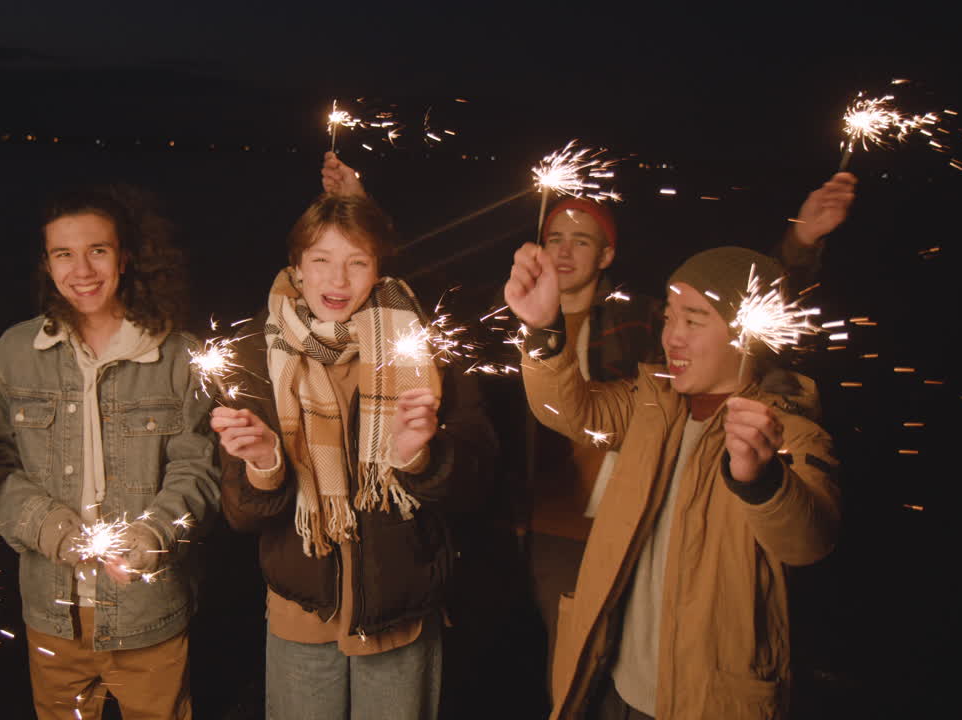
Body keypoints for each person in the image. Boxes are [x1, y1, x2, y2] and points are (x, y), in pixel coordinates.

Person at [504, 242, 841, 719]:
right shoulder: (651, 404)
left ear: (746, 332)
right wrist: (543, 329)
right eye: (669, 317)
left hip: (704, 702)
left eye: (694, 321)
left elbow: (809, 540)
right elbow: (568, 410)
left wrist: (762, 481)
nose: (672, 337)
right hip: (612, 684)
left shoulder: (788, 431)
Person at [211, 191, 496, 720]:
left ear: (378, 268)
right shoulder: (255, 353)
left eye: (357, 262)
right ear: (296, 268)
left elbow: (478, 486)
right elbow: (242, 514)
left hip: (399, 615)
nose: (337, 280)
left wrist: (420, 459)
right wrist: (267, 463)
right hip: (301, 616)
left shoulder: (424, 346)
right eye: (321, 260)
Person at [0, 185, 220, 720]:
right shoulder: (13, 354)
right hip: (52, 614)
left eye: (98, 251)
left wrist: (153, 534)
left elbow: (198, 469)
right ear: (47, 264)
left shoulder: (180, 356)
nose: (82, 270)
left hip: (149, 613)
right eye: (64, 254)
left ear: (124, 257)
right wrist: (51, 528)